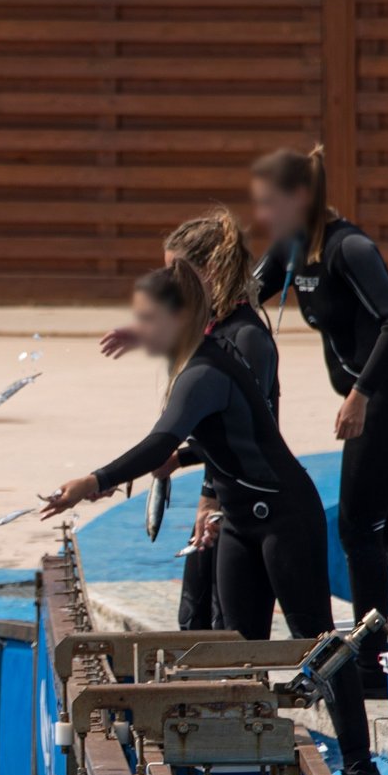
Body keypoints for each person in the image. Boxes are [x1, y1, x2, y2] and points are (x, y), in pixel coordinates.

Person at [42, 259, 388, 775]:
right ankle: (242, 761)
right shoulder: (200, 358)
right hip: (240, 519)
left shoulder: (206, 368)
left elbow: (159, 439)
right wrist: (181, 459)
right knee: (236, 646)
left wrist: (93, 482)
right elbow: (219, 436)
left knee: (315, 641)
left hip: (284, 518)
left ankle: (360, 769)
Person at [250, 145, 388, 692]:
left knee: (359, 527)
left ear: (300, 198)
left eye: (271, 203)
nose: (263, 216)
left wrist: (359, 394)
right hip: (375, 400)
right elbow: (243, 295)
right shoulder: (292, 250)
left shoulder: (350, 248)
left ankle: (368, 670)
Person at [98, 207, 278, 633]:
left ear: (211, 270)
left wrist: (209, 500)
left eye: (176, 275)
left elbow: (251, 434)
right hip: (225, 495)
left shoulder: (248, 338)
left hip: (248, 509)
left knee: (229, 631)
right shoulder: (214, 328)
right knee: (193, 622)